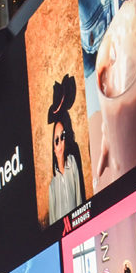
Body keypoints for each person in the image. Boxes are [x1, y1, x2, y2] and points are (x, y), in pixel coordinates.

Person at [46, 75, 85, 224]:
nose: (60, 143)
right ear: (53, 147)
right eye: (56, 140)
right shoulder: (52, 186)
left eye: (62, 137)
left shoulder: (73, 164)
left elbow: (80, 200)